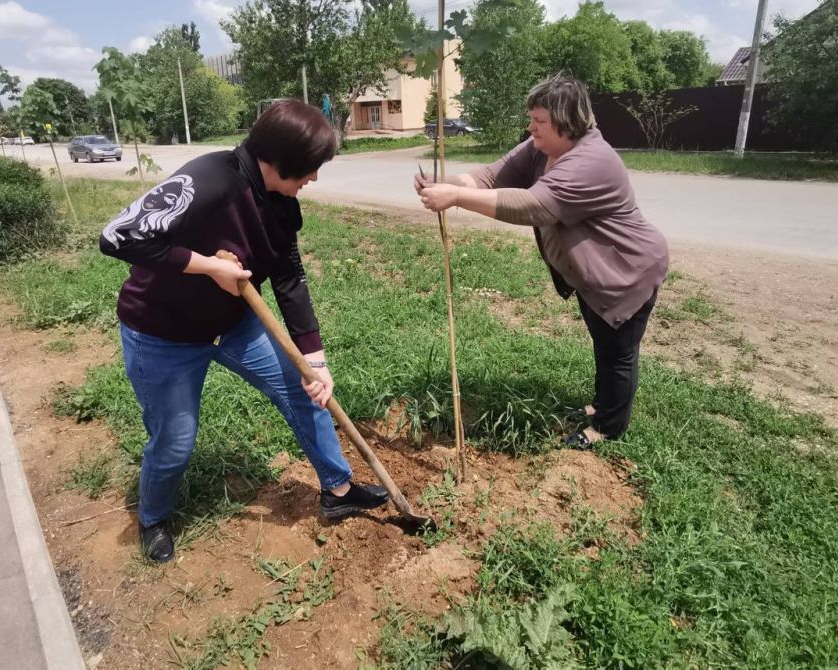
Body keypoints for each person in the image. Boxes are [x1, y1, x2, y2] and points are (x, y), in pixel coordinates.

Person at [100, 100, 389, 563]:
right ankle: (153, 517)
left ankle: (338, 490)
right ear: (278, 161)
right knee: (175, 440)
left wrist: (313, 357)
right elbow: (119, 235)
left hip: (233, 325)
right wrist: (207, 266)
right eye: (310, 168)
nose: (314, 178)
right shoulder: (209, 180)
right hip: (162, 335)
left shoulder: (282, 202)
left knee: (304, 390)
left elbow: (288, 276)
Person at [414, 74, 668, 450]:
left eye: (540, 121)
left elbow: (536, 206)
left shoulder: (591, 161)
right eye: (532, 118)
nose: (531, 127)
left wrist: (454, 198)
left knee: (618, 354)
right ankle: (602, 405)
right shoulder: (543, 148)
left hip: (625, 272)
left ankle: (608, 427)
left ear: (568, 122)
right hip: (596, 274)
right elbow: (490, 175)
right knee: (604, 343)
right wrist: (444, 181)